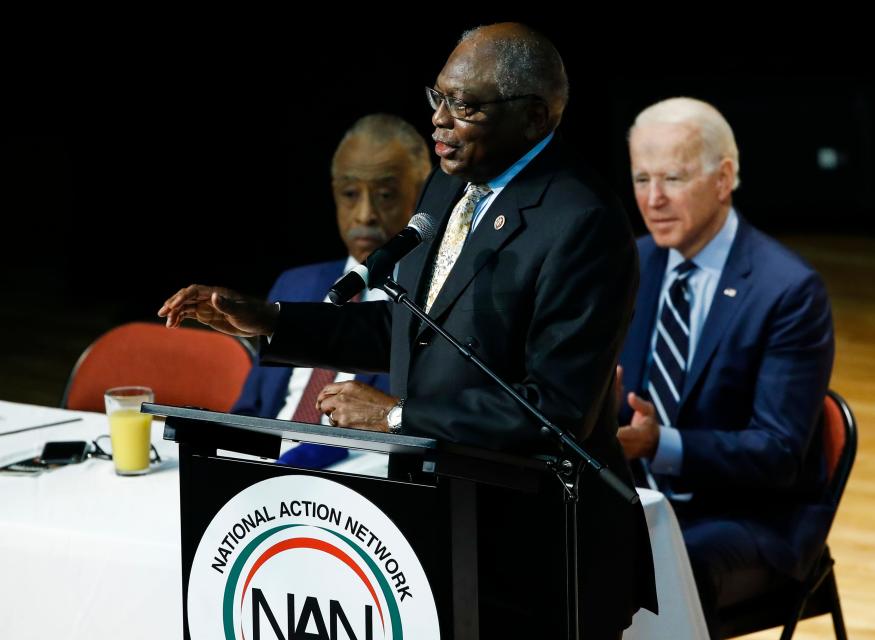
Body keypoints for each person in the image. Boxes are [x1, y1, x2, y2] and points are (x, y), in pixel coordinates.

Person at [159, 23, 654, 638]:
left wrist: (397, 418)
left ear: (533, 118)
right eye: (438, 98)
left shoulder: (582, 223)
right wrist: (272, 319)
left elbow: (552, 413)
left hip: (533, 550)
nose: (440, 121)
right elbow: (410, 328)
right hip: (429, 526)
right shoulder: (451, 181)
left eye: (465, 105)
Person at [617, 97, 835, 636]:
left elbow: (779, 453)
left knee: (652, 567)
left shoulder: (787, 291)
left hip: (749, 518)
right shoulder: (631, 264)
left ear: (724, 178)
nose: (654, 199)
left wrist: (659, 444)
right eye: (641, 178)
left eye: (672, 177)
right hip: (639, 500)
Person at [231, 113, 431, 469]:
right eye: (350, 194)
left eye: (385, 194)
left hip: (362, 484)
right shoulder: (294, 284)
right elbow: (248, 412)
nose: (365, 214)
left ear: (421, 193)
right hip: (264, 484)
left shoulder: (435, 303)